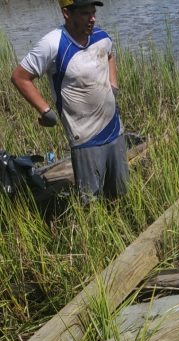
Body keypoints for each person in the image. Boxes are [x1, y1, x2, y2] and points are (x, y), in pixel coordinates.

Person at [11, 0, 128, 204]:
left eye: (93, 12)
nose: (92, 18)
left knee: (121, 193)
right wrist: (45, 111)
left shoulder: (101, 36)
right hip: (85, 138)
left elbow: (109, 55)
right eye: (85, 13)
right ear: (67, 13)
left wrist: (113, 84)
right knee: (91, 202)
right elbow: (20, 77)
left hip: (114, 128)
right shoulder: (53, 44)